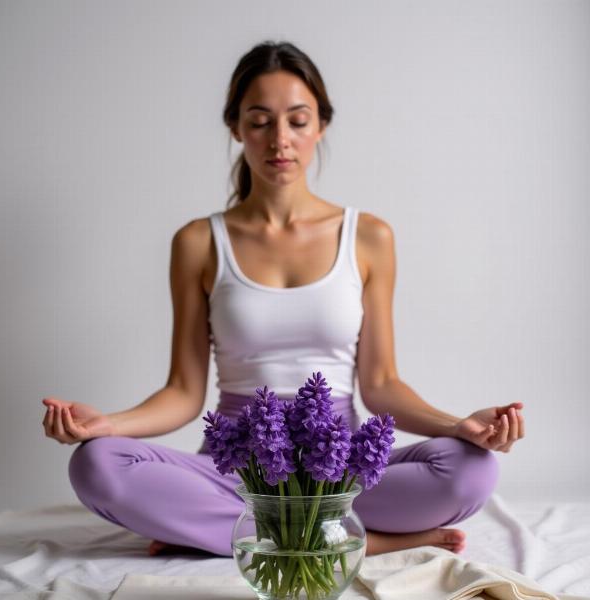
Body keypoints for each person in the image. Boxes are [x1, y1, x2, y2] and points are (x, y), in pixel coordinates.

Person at [41, 40, 525, 559]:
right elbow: (183, 392)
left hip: (341, 471)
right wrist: (106, 425)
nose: (280, 140)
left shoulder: (369, 237)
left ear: (321, 125)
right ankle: (361, 541)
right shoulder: (198, 243)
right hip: (236, 473)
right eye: (259, 121)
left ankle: (226, 534)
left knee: (472, 468)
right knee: (96, 464)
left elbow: (381, 385)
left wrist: (461, 427)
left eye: (297, 120)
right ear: (235, 128)